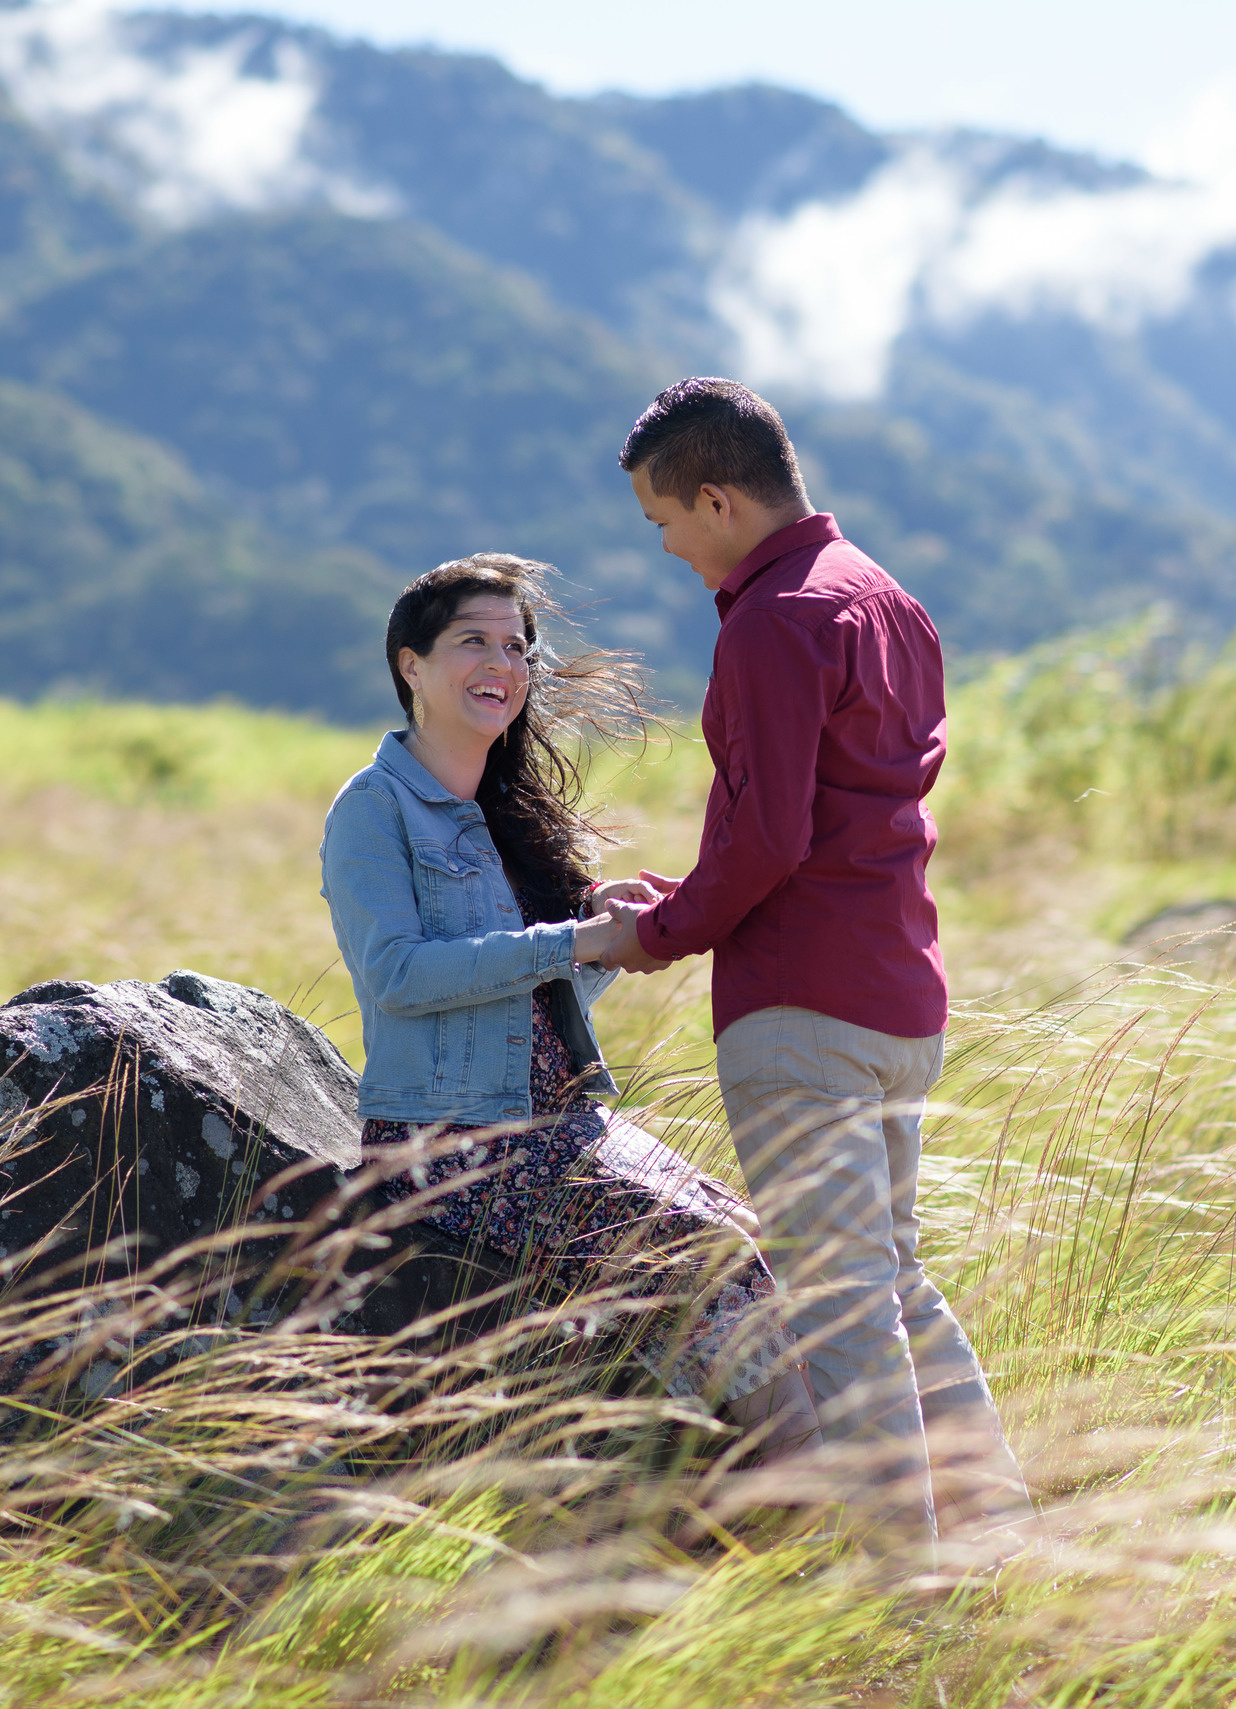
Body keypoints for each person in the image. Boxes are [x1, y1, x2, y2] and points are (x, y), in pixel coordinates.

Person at [600, 379, 1029, 1550]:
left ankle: (910, 1592)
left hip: (800, 1010)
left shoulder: (774, 620)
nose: (672, 549)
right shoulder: (887, 598)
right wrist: (687, 900)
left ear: (717, 497)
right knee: (894, 1281)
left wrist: (661, 930)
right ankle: (996, 1534)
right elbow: (828, 820)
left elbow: (770, 838)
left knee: (842, 1305)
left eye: (665, 521)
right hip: (899, 992)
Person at [317, 552, 818, 1458]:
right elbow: (398, 975)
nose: (502, 667)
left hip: (560, 1126)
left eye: (517, 647)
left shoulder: (506, 810)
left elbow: (529, 994)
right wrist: (569, 940)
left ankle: (795, 1501)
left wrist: (608, 932)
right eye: (474, 642)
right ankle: (814, 1506)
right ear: (410, 664)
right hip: (459, 1144)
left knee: (747, 1237)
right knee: (706, 1255)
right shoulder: (374, 807)